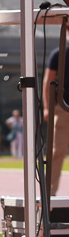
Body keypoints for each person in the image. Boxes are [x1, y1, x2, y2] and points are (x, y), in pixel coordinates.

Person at [43, 31, 69, 194]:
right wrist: (47, 107)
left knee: (57, 151)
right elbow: (48, 81)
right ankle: (49, 195)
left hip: (61, 107)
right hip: (62, 106)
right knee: (57, 150)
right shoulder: (59, 53)